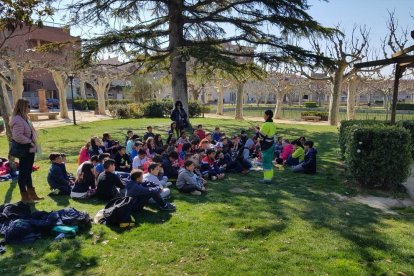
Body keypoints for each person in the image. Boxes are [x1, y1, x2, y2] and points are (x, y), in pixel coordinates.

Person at [10, 98, 43, 203]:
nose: (30, 108)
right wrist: (30, 142)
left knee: (28, 172)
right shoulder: (17, 119)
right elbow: (17, 136)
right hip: (25, 150)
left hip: (30, 149)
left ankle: (32, 195)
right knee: (23, 173)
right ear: (23, 107)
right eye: (28, 106)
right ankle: (25, 197)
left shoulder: (25, 118)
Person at [255, 109, 277, 183]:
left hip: (266, 146)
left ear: (268, 115)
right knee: (269, 162)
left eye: (264, 114)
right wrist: (259, 131)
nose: (263, 116)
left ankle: (267, 179)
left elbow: (261, 136)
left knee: (266, 163)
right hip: (271, 145)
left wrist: (257, 132)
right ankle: (270, 176)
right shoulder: (273, 124)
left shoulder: (265, 124)